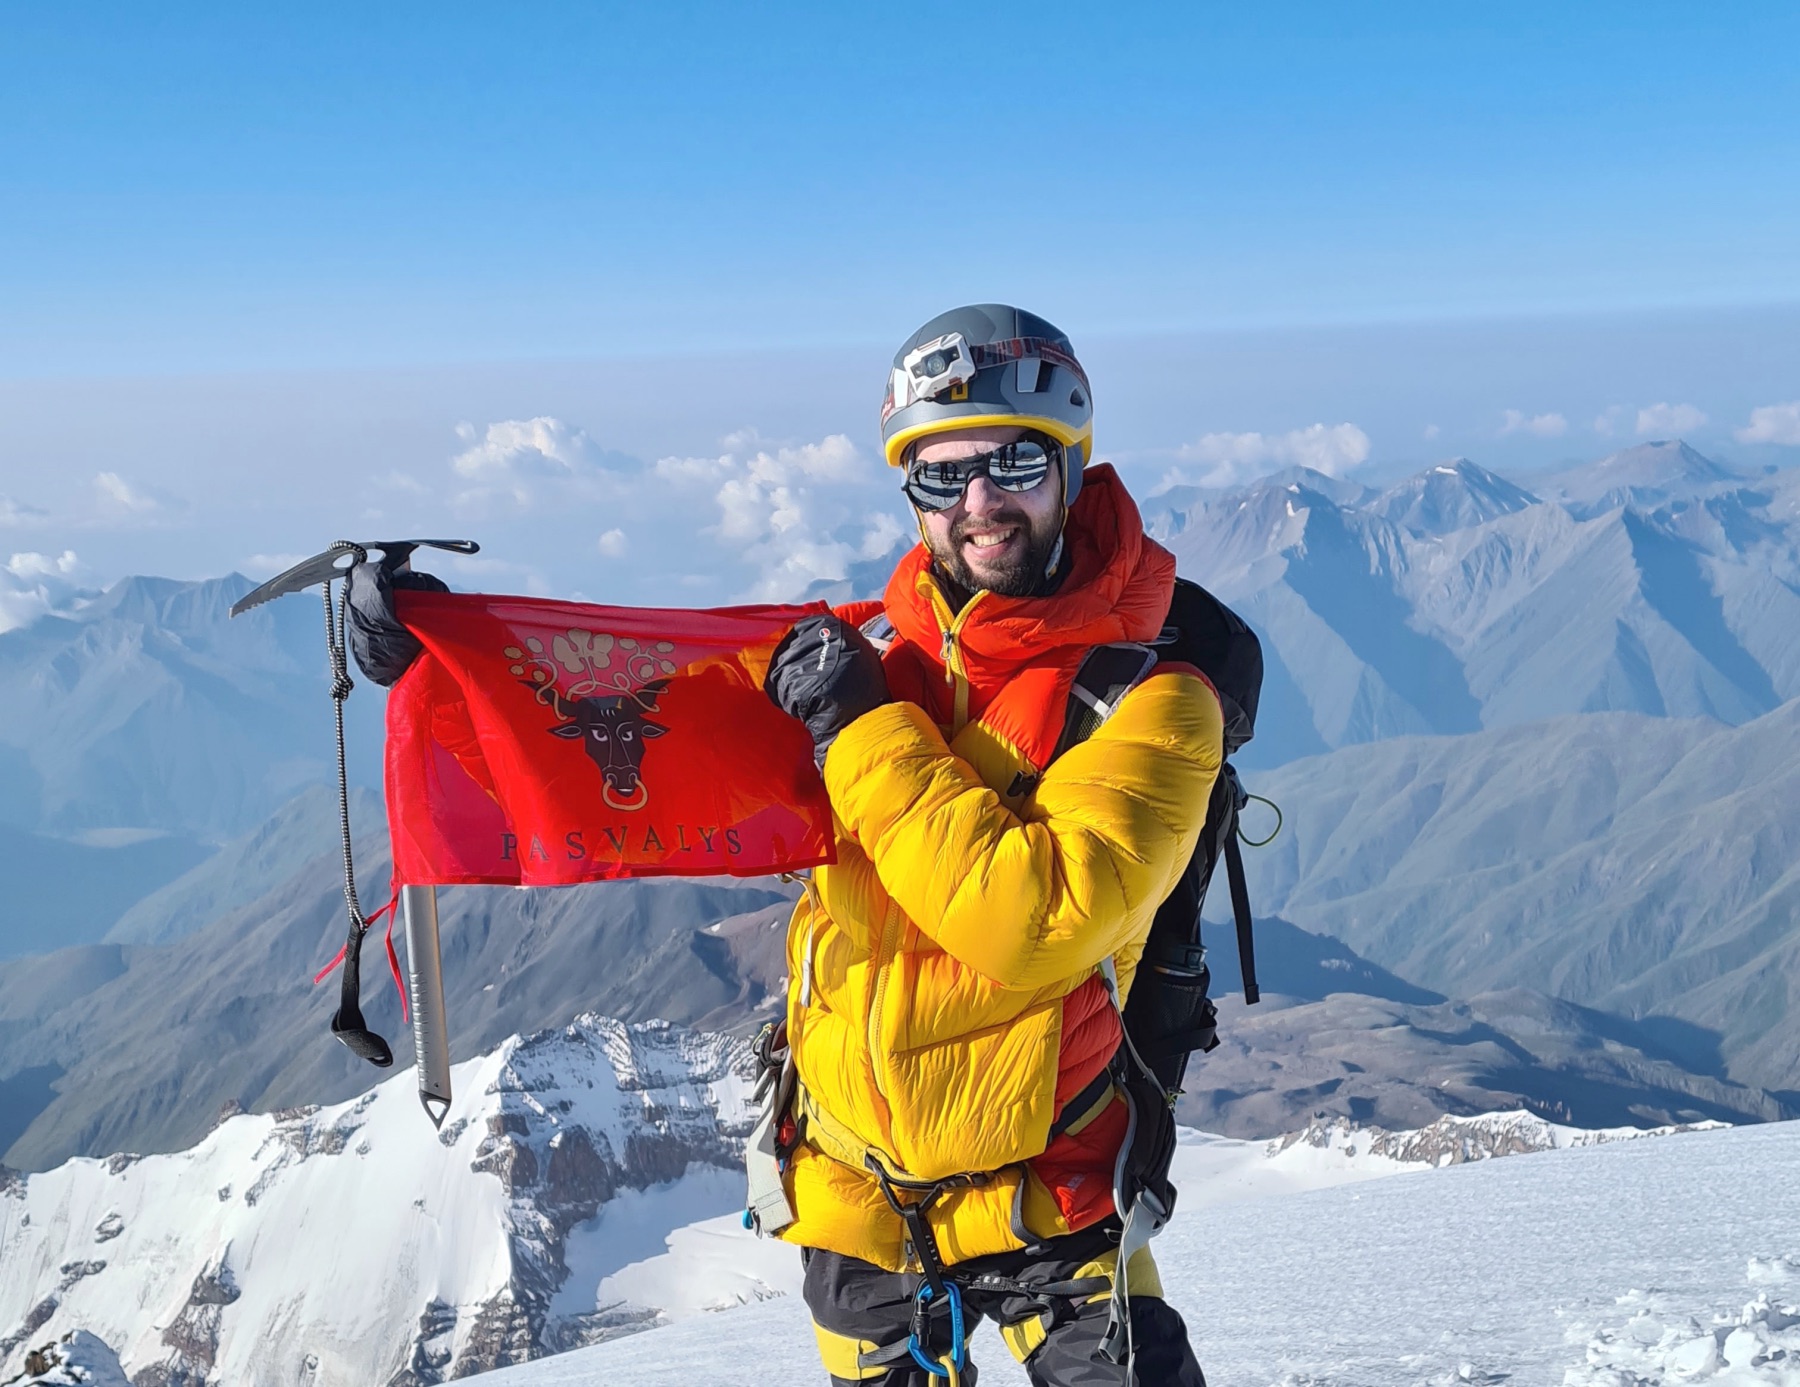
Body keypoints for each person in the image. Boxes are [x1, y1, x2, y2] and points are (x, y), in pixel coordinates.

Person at [761, 304, 1220, 1385]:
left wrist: (861, 732)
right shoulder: (871, 657)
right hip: (856, 1192)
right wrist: (443, 662)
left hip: (1057, 1187)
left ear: (1069, 468)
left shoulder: (1153, 702)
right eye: (940, 473)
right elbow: (631, 725)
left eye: (1012, 462)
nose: (979, 503)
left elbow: (1034, 921)